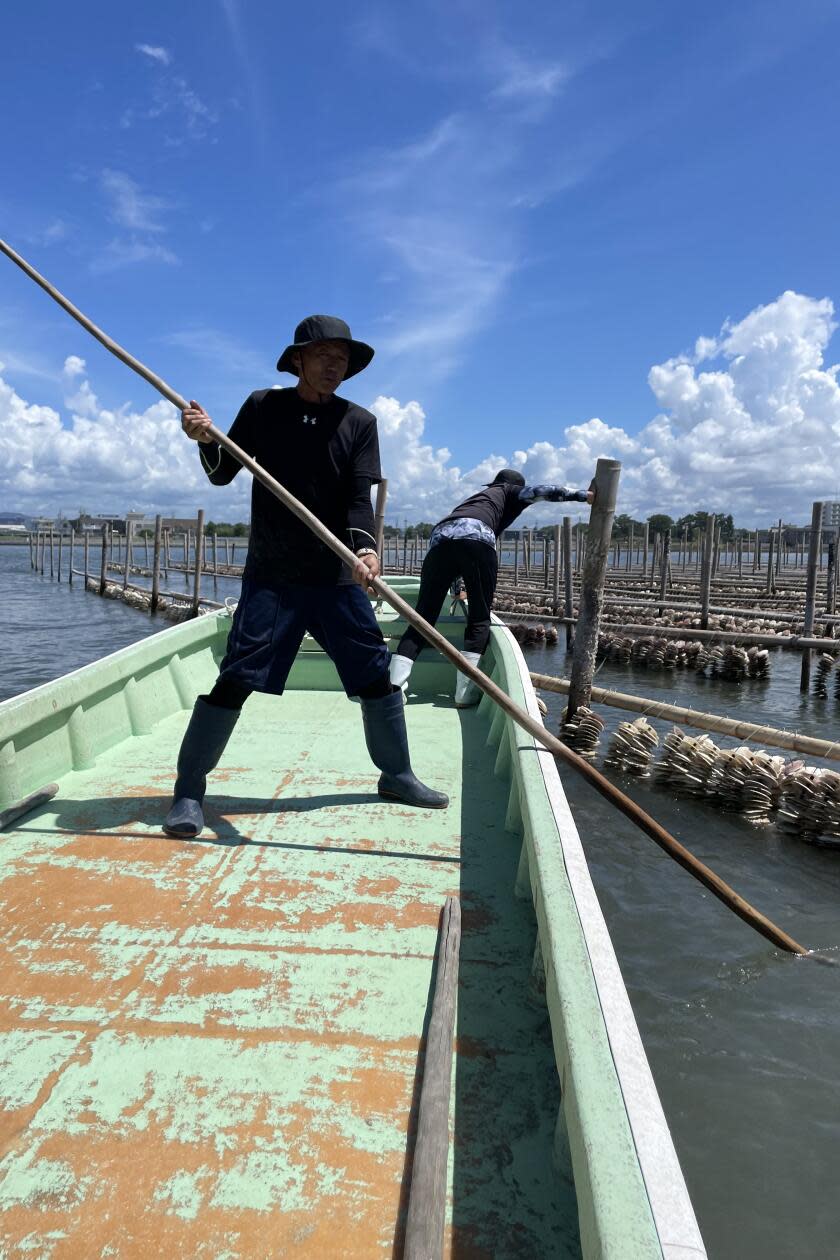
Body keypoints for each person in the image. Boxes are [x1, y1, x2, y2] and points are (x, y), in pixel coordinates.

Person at [164, 314, 447, 837]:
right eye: (323, 355)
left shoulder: (359, 423)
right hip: (273, 575)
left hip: (337, 577)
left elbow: (359, 499)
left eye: (341, 358)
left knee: (376, 677)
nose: (333, 365)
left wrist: (366, 551)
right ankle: (187, 792)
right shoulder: (262, 408)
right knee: (235, 680)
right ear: (298, 359)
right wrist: (204, 438)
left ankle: (397, 774)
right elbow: (223, 472)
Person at [389, 469, 593, 706]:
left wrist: (456, 591)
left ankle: (393, 690)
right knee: (478, 618)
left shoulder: (479, 498)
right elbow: (543, 491)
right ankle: (464, 694)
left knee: (422, 619)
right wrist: (583, 496)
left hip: (440, 536)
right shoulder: (510, 491)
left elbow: (454, 543)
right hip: (477, 537)